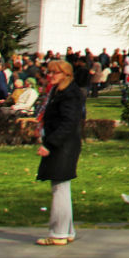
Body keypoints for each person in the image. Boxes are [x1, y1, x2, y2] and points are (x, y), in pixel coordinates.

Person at [36, 60, 84, 246]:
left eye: (55, 73)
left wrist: (50, 144)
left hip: (64, 145)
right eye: (50, 72)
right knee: (61, 187)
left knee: (59, 188)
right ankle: (67, 231)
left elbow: (68, 123)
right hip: (61, 143)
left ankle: (58, 233)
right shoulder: (59, 92)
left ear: (66, 74)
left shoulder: (70, 94)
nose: (51, 76)